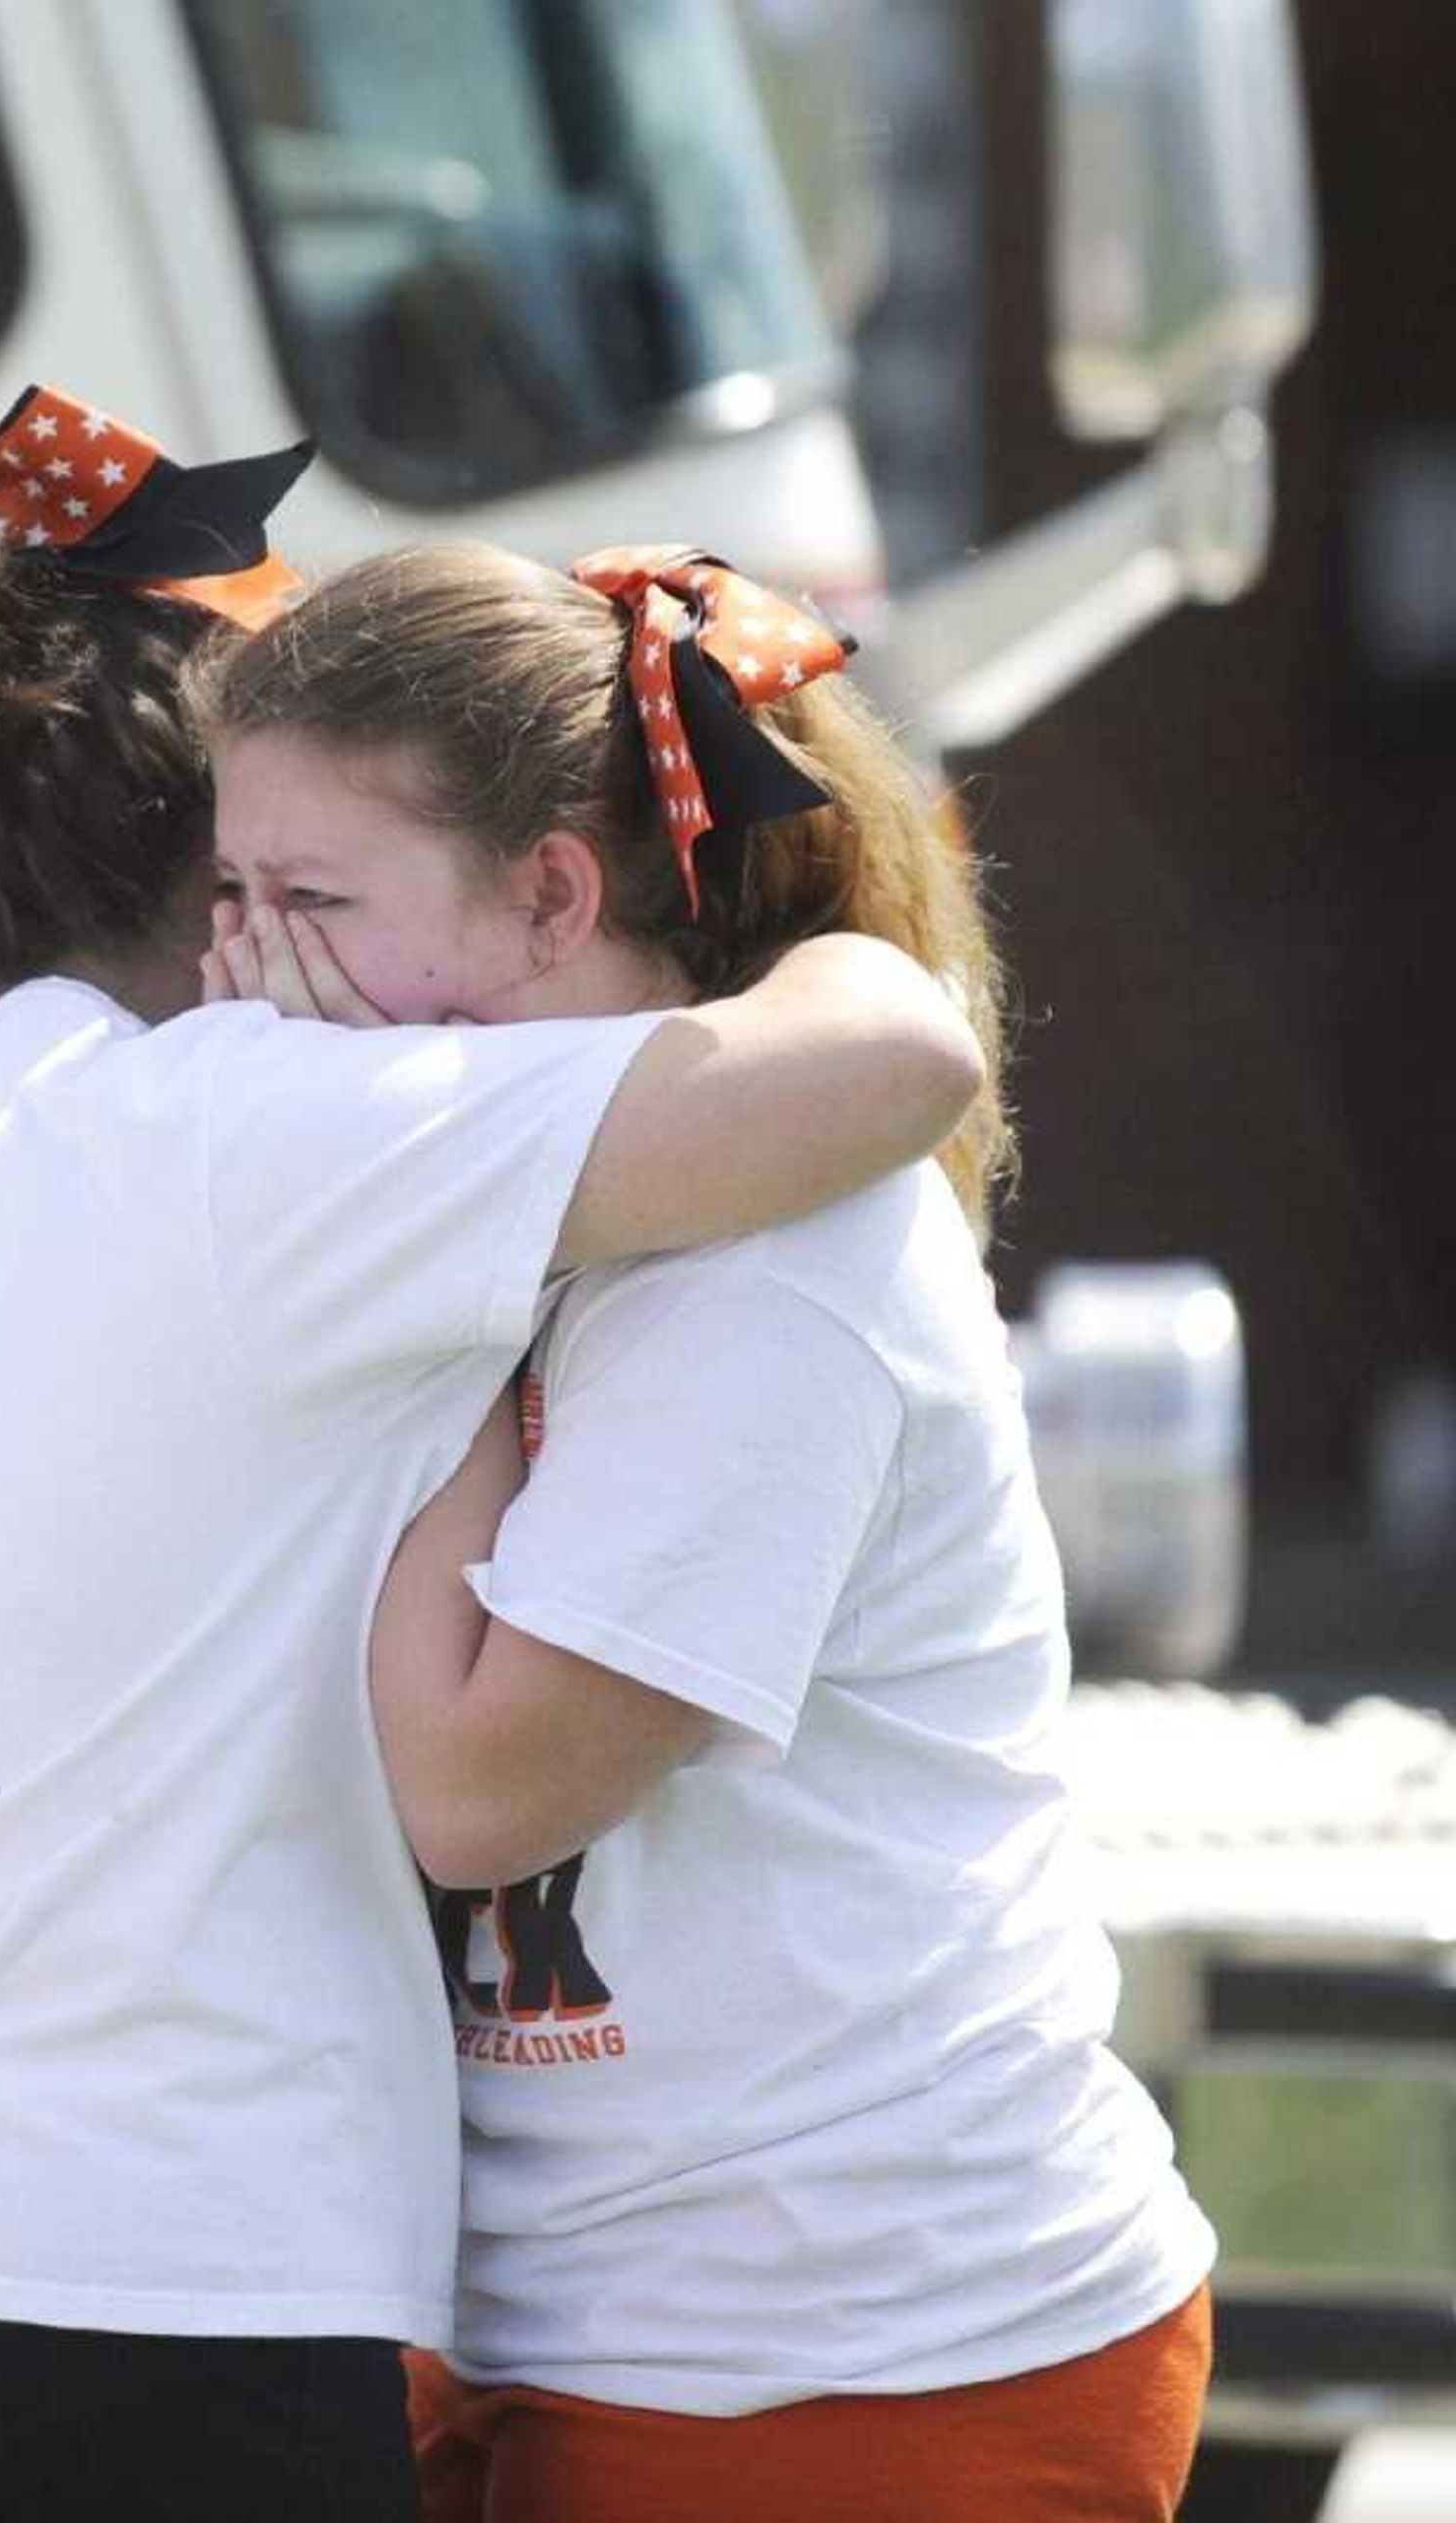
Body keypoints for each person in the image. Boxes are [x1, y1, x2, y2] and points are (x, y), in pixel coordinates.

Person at [0, 400, 994, 2521]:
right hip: (102, 2322)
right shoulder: (272, 1123)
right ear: (207, 865)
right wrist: (814, 896)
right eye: (268, 886)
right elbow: (897, 1060)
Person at [202, 541, 1215, 2523]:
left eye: (312, 904)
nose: (249, 974)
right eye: (226, 899)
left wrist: (398, 1300)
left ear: (556, 896)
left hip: (864, 2355)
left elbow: (483, 1801)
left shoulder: (781, 1254)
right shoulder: (526, 1186)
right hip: (584, 2328)